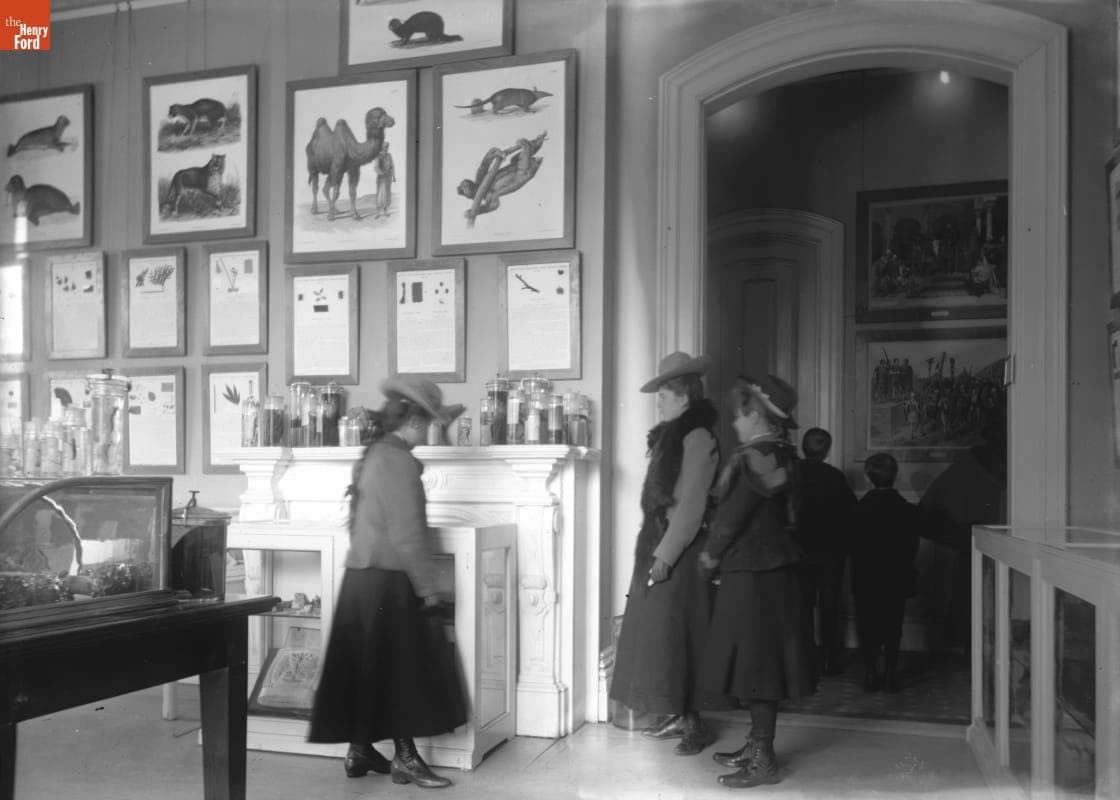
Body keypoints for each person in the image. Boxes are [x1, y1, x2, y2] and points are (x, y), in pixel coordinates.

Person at [308, 376, 467, 789]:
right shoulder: (396, 459)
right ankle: (407, 759)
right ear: (413, 419)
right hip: (388, 578)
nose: (430, 430)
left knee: (372, 666)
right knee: (402, 671)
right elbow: (409, 533)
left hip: (363, 580)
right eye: (428, 422)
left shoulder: (376, 454)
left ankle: (360, 751)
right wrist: (429, 587)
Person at [698, 374, 816, 788]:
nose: (734, 424)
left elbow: (730, 520)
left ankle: (763, 760)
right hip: (771, 572)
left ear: (755, 415)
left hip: (754, 574)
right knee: (759, 663)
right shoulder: (782, 454)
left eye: (739, 415)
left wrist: (708, 558)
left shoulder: (755, 458)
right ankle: (756, 744)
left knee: (758, 667)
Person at [609, 350, 723, 756]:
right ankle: (677, 714)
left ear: (686, 396)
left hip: (682, 550)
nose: (659, 401)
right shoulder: (671, 437)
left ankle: (695, 722)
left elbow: (691, 505)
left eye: (666, 394)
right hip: (659, 545)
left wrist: (666, 555)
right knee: (664, 636)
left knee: (682, 635)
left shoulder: (698, 438)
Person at [918, 413, 1006, 651]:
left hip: (977, 542)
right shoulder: (991, 461)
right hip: (999, 543)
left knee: (972, 599)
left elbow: (931, 507)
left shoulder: (973, 461)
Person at [851, 452, 920, 693]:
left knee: (867, 626)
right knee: (894, 627)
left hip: (866, 579)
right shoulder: (908, 511)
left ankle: (870, 673)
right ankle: (891, 675)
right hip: (896, 579)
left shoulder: (857, 511)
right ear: (895, 476)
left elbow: (852, 548)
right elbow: (912, 548)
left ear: (867, 478)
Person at [793, 427, 857, 676]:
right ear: (827, 450)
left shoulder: (791, 474)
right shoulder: (835, 477)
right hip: (831, 553)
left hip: (800, 551)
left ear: (803, 447)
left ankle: (805, 659)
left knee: (802, 606)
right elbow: (850, 513)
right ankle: (830, 659)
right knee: (829, 607)